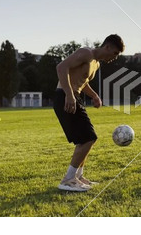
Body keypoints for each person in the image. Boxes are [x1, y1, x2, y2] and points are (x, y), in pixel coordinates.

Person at [53, 34, 125, 192]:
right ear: (107, 47)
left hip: (73, 96)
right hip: (64, 96)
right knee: (89, 138)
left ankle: (77, 177)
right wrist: (69, 95)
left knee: (86, 139)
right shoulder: (86, 53)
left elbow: (82, 81)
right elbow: (61, 67)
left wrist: (94, 95)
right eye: (115, 53)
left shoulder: (96, 64)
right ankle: (68, 180)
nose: (115, 58)